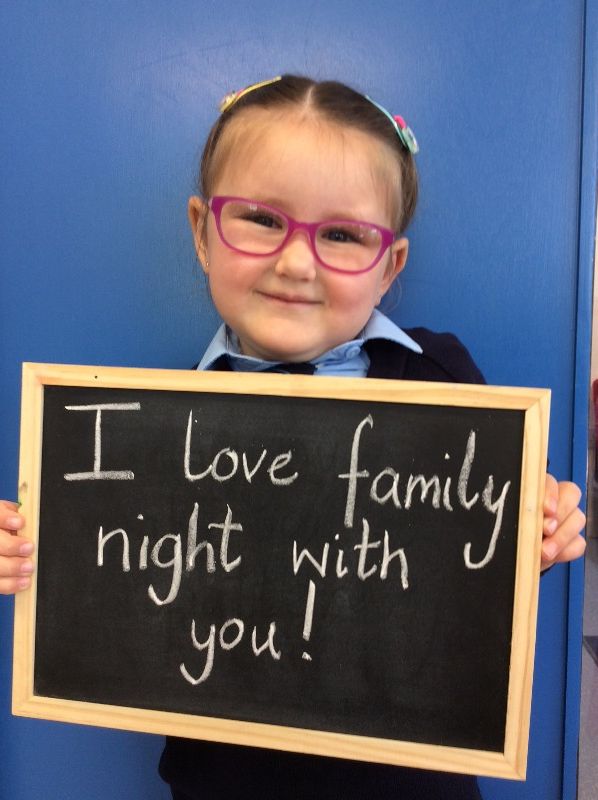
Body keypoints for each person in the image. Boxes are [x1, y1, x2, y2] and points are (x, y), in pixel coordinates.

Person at [0, 75, 587, 798]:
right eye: (260, 219)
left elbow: (478, 561)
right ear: (202, 232)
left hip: (411, 784)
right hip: (224, 784)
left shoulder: (443, 381)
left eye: (341, 234)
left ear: (390, 266)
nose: (296, 263)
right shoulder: (151, 429)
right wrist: (26, 551)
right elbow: (105, 579)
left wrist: (541, 531)